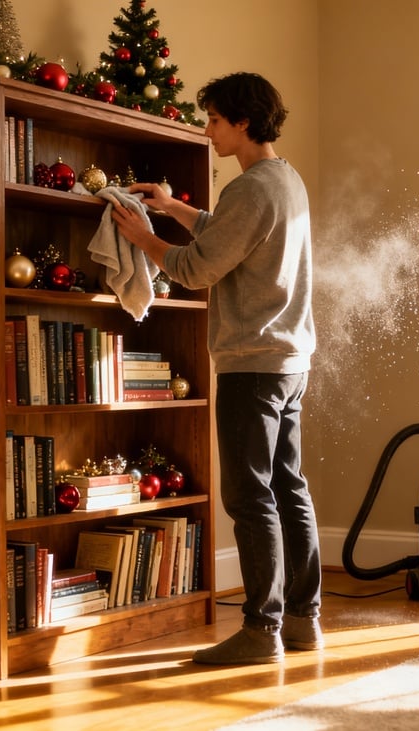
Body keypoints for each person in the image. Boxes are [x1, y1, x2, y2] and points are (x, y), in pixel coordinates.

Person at [108, 72, 320, 665]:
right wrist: (174, 206)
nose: (208, 131)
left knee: (250, 497)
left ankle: (260, 631)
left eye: (216, 120)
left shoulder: (250, 189)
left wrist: (144, 236)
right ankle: (302, 621)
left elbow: (196, 269)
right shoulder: (286, 180)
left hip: (251, 366)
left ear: (243, 122)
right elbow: (230, 238)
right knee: (289, 489)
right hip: (289, 361)